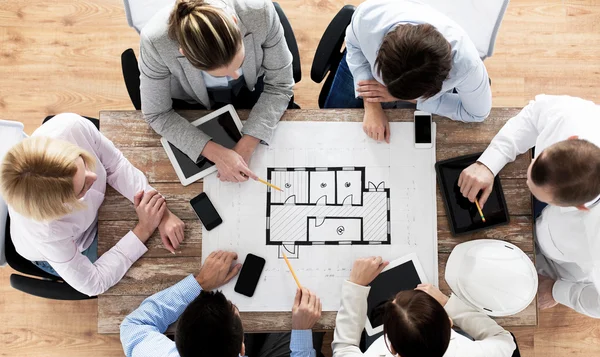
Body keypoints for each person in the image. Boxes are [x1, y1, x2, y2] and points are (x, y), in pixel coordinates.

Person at [0, 113, 185, 297]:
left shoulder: (70, 127)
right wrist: (144, 228)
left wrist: (160, 212)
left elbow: (116, 165)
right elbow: (94, 283)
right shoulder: (49, 231)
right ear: (61, 207)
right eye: (82, 189)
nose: (95, 176)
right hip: (72, 244)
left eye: (83, 163)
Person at [458, 95, 600, 318]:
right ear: (571, 138)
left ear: (581, 207)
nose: (526, 178)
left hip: (558, 265)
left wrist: (558, 292)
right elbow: (534, 115)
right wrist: (489, 163)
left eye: (539, 192)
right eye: (536, 162)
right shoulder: (575, 118)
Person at [121, 250, 323, 357]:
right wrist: (302, 330)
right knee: (303, 326)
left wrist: (199, 282)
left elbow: (134, 324)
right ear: (241, 348)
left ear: (178, 347)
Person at [140, 0, 294, 183]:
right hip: (193, 101)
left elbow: (280, 85)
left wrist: (246, 145)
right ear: (185, 54)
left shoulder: (260, 11)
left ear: (235, 23)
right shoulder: (155, 41)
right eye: (221, 73)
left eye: (238, 64)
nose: (236, 76)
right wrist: (217, 154)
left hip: (252, 88)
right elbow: (157, 114)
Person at [332, 257, 516, 357]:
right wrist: (446, 302)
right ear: (450, 323)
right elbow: (503, 338)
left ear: (392, 347)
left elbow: (343, 350)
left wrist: (355, 287)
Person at [324, 0, 491, 142]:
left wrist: (410, 99)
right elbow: (354, 45)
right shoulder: (368, 17)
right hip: (367, 67)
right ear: (380, 52)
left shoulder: (467, 66)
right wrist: (372, 103)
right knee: (331, 125)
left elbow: (477, 114)